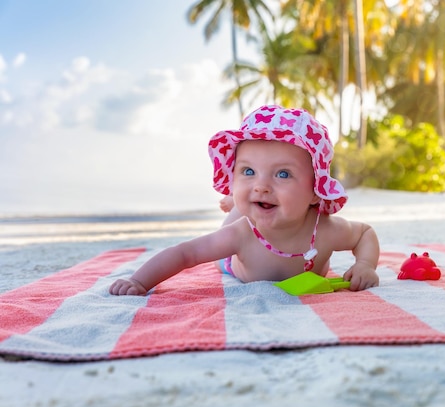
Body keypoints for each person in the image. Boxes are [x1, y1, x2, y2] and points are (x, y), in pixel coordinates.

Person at [109, 104, 380, 296]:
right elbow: (186, 253)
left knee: (250, 202)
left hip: (265, 220)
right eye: (248, 171)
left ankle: (237, 202)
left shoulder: (326, 230)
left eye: (283, 174)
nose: (262, 185)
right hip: (235, 261)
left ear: (315, 191)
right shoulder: (240, 236)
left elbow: (364, 233)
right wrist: (138, 281)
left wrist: (364, 265)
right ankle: (235, 203)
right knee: (235, 218)